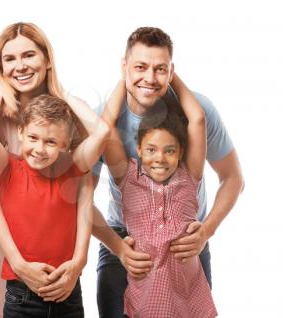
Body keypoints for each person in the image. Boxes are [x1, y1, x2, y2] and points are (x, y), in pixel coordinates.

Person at [92, 27, 244, 317]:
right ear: (124, 67)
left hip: (186, 244)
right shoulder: (107, 124)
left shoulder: (196, 114)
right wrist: (118, 248)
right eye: (139, 67)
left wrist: (206, 232)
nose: (149, 78)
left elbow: (233, 178)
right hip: (125, 242)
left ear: (171, 71)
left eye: (160, 69)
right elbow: (79, 199)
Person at [0, 22, 97, 317]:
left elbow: (83, 197)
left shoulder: (69, 118)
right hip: (7, 246)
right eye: (9, 59)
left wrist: (80, 260)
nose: (20, 66)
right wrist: (17, 263)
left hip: (58, 249)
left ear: (47, 59)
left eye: (29, 55)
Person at [0, 92, 109, 317]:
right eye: (33, 138)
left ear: (65, 144)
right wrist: (4, 91)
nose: (39, 149)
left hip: (67, 292)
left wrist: (64, 94)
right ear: (20, 132)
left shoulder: (73, 169)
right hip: (22, 295)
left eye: (51, 142)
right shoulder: (8, 169)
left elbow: (102, 132)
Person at [102, 74, 217, 317]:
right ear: (140, 149)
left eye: (170, 150)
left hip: (189, 299)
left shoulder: (189, 176)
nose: (160, 158)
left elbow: (197, 118)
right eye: (152, 150)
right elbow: (106, 127)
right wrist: (127, 78)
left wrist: (170, 77)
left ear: (181, 152)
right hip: (146, 299)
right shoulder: (129, 179)